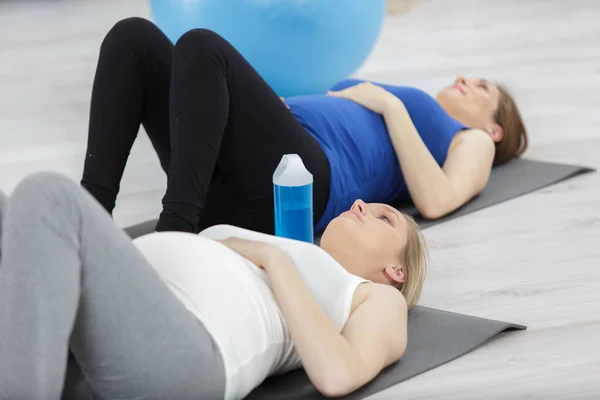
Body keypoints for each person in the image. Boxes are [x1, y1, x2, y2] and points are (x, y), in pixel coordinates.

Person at [0, 171, 427, 400]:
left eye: (383, 216)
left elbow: (338, 375)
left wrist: (275, 262)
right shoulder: (294, 250)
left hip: (187, 351)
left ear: (397, 270)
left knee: (48, 195)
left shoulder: (377, 298)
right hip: (101, 333)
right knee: (10, 207)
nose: (359, 205)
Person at [81, 17, 528, 235]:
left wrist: (390, 106)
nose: (466, 80)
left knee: (202, 44)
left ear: (496, 129)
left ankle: (175, 232)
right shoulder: (412, 105)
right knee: (133, 37)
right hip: (225, 179)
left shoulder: (471, 141)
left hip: (302, 185)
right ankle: (86, 220)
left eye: (484, 87)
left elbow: (436, 200)